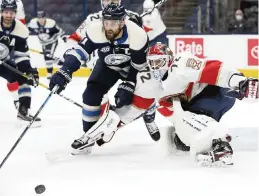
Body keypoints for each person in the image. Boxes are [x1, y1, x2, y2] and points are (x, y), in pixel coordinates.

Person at [49, 4, 152, 152]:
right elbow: (79, 51)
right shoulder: (95, 29)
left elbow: (139, 66)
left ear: (123, 22)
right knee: (90, 95)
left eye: (114, 23)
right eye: (106, 22)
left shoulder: (138, 35)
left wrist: (129, 84)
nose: (108, 27)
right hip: (107, 66)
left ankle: (149, 110)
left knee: (128, 100)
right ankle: (88, 137)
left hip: (131, 68)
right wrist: (65, 71)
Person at [149, 43, 258, 167]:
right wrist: (188, 133)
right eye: (152, 63)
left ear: (169, 60)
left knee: (192, 124)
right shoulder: (155, 89)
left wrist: (239, 81)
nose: (156, 67)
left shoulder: (180, 64)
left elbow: (213, 69)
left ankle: (219, 141)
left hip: (217, 93)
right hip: (206, 106)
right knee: (182, 142)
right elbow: (177, 117)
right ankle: (216, 138)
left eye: (159, 62)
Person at [0, 0, 41, 126]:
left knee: (23, 77)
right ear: (1, 12)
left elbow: (21, 55)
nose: (8, 15)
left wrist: (28, 70)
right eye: (6, 12)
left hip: (3, 61)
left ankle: (23, 111)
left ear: (15, 13)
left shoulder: (21, 29)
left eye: (11, 12)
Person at [27, 10, 66, 79]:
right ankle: (58, 62)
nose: (41, 20)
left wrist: (64, 37)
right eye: (39, 18)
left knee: (48, 55)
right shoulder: (33, 23)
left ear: (45, 18)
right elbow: (25, 30)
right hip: (43, 43)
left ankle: (50, 73)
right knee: (47, 57)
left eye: (42, 18)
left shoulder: (51, 23)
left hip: (52, 41)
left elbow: (59, 31)